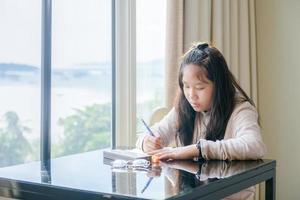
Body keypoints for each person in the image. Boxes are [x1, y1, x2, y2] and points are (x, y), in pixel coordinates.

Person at [136, 42, 266, 161]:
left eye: (200, 88)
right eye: (186, 86)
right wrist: (146, 141)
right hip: (196, 186)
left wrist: (197, 149)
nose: (191, 95)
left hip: (232, 186)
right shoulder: (185, 107)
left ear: (219, 85)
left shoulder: (240, 109)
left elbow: (255, 146)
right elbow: (153, 133)